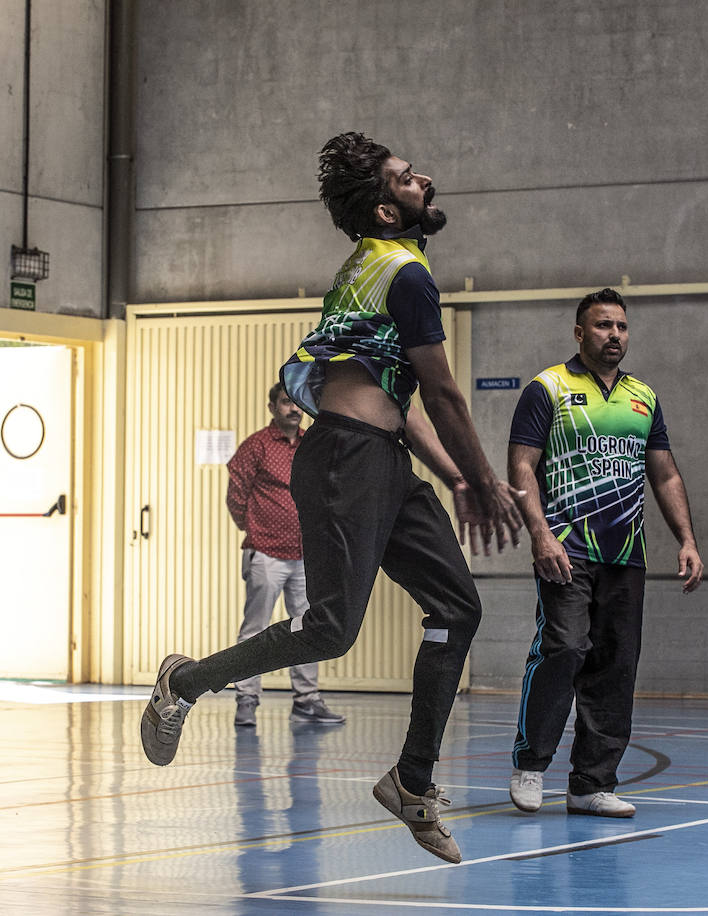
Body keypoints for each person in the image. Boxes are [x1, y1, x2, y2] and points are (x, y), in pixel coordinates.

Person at [141, 131, 523, 864]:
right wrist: (479, 479)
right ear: (385, 210)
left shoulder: (372, 268)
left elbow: (398, 404)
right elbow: (441, 393)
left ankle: (412, 782)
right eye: (410, 179)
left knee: (457, 606)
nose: (428, 181)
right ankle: (182, 683)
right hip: (346, 457)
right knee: (331, 630)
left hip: (381, 458)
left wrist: (451, 477)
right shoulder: (403, 275)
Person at [506, 288, 703, 819]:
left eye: (620, 326)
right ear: (579, 332)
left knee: (615, 666)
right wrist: (540, 535)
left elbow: (663, 472)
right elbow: (522, 466)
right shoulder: (547, 388)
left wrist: (686, 538)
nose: (613, 335)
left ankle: (591, 783)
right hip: (566, 550)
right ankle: (530, 763)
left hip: (626, 556)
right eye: (602, 326)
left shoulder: (644, 396)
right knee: (565, 648)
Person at [225, 381, 344, 727]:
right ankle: (246, 698)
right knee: (255, 628)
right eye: (284, 402)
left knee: (308, 627)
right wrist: (257, 529)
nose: (292, 408)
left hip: (306, 555)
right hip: (266, 553)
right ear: (272, 408)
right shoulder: (256, 447)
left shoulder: (314, 444)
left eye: (297, 403)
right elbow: (237, 496)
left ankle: (307, 700)